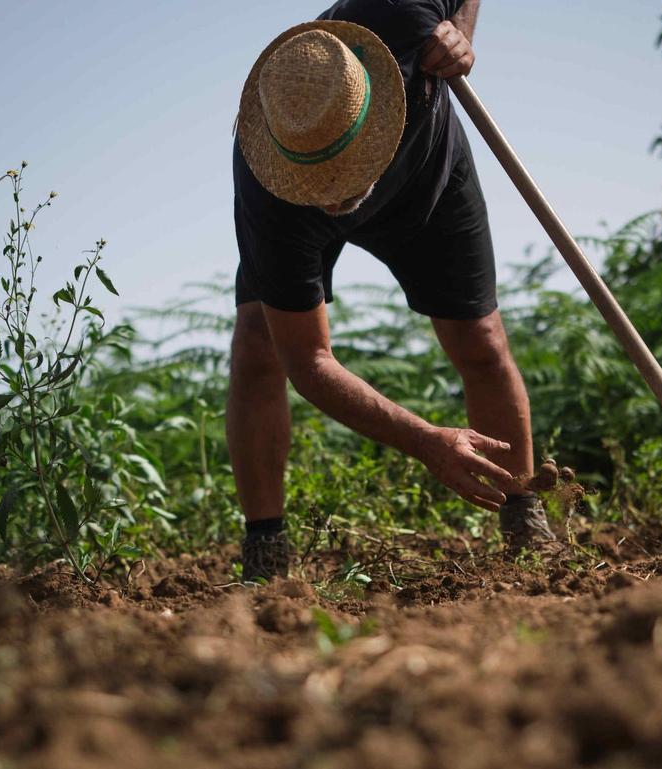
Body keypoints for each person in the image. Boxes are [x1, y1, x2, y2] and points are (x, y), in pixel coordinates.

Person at [230, 0, 555, 582]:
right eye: (315, 176)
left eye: (340, 170)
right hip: (290, 218)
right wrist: (427, 440)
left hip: (427, 178)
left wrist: (462, 33)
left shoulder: (403, 10)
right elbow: (308, 361)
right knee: (260, 343)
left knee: (481, 341)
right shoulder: (272, 182)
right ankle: (266, 551)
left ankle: (525, 525)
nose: (330, 192)